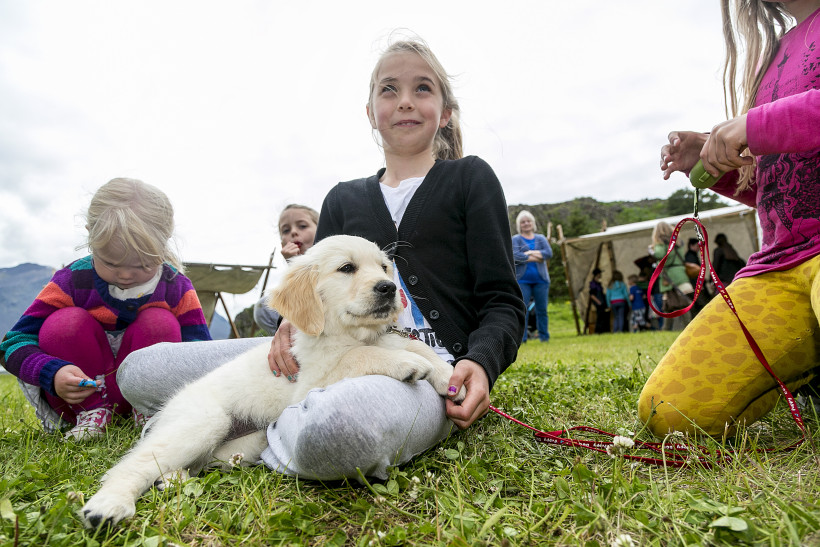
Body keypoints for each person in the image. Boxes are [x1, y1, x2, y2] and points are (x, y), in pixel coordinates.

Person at [118, 37, 525, 481]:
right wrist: (289, 325)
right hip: (321, 354)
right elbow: (313, 295)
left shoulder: (470, 179)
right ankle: (267, 422)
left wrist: (481, 364)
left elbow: (503, 302)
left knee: (337, 429)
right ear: (370, 112)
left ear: (446, 112)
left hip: (421, 369)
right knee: (141, 370)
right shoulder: (343, 198)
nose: (405, 101)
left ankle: (260, 434)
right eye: (389, 89)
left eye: (422, 88)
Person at [641, 0, 820, 437]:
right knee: (667, 411)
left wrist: (754, 126)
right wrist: (714, 163)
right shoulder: (771, 55)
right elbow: (781, 190)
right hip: (779, 267)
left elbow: (766, 126)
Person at [0, 178, 211, 440]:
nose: (125, 275)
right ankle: (92, 414)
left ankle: (148, 414)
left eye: (144, 265)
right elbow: (13, 343)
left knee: (159, 321)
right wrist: (51, 372)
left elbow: (201, 352)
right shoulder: (72, 281)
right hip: (77, 400)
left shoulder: (176, 287)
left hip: (152, 400)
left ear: (164, 243)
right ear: (91, 235)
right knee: (63, 323)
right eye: (111, 263)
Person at [253, 204, 319, 335]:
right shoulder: (292, 264)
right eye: (286, 231)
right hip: (307, 319)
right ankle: (288, 341)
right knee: (263, 307)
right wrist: (294, 263)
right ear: (282, 243)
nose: (294, 232)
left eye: (302, 226)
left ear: (320, 229)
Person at [512, 210, 553, 342]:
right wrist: (536, 256)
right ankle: (522, 338)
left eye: (528, 221)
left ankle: (544, 337)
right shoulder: (516, 239)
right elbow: (514, 256)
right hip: (523, 280)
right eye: (523, 222)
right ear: (519, 225)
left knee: (542, 310)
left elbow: (548, 254)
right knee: (523, 310)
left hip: (541, 280)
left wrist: (530, 252)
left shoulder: (540, 238)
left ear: (533, 223)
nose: (526, 224)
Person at [650, 221, 693, 331]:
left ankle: (669, 328)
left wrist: (652, 250)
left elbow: (659, 254)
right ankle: (680, 327)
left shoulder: (661, 242)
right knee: (678, 301)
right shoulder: (678, 240)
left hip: (670, 276)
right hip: (680, 273)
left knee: (674, 302)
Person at [587, 268, 608, 334]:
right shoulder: (593, 284)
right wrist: (598, 302)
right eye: (599, 274)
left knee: (602, 316)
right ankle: (598, 331)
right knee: (600, 317)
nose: (600, 275)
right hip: (599, 302)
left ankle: (602, 330)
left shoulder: (598, 283)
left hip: (601, 301)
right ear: (597, 274)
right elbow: (592, 295)